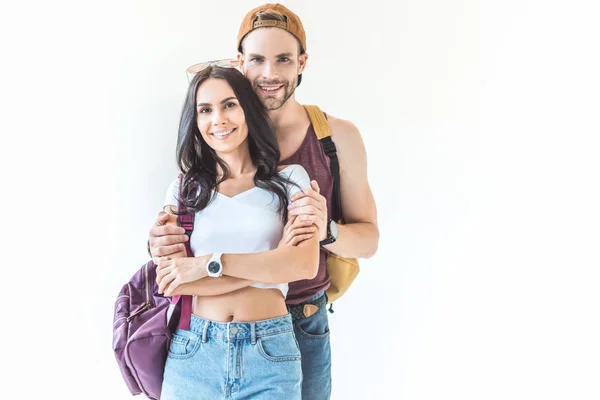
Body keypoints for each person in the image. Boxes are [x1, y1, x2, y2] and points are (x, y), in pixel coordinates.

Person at [149, 4, 380, 399]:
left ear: (301, 63)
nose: (270, 74)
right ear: (240, 62)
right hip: (202, 335)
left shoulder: (334, 138)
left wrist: (323, 229)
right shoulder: (205, 162)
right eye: (257, 59)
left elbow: (368, 240)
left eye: (284, 60)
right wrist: (162, 244)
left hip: (302, 317)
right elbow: (175, 270)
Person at [157, 64, 321, 399]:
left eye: (229, 104)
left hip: (270, 353)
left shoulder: (291, 180)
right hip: (194, 353)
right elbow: (173, 281)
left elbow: (304, 265)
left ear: (247, 108)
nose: (218, 119)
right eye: (205, 110)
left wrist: (207, 265)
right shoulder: (182, 190)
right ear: (196, 120)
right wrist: (274, 261)